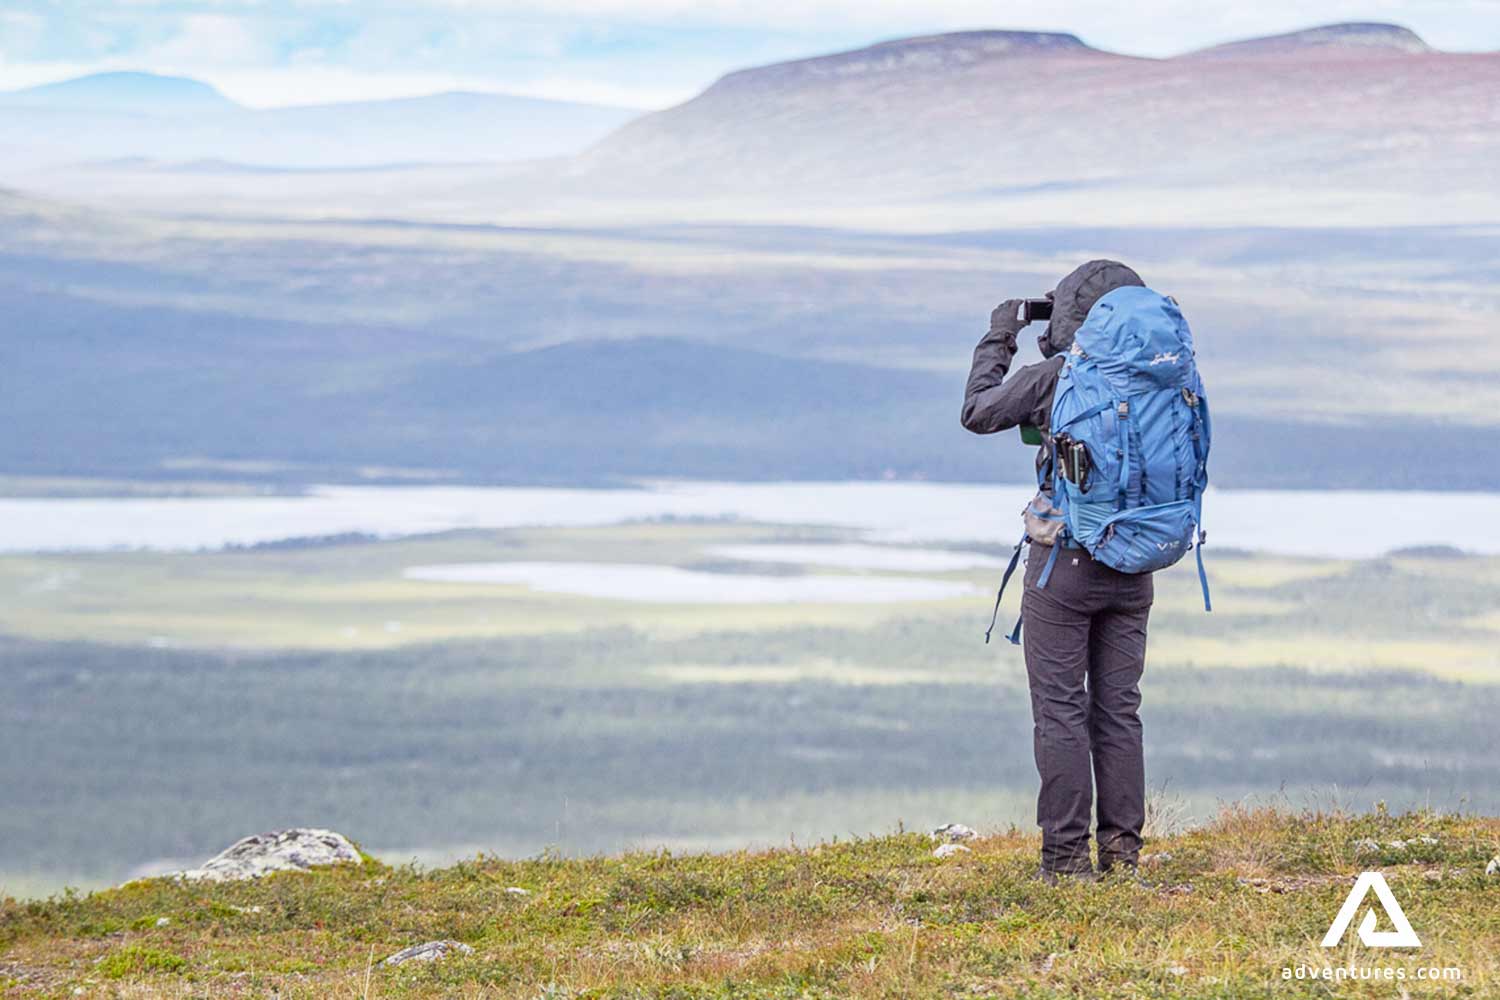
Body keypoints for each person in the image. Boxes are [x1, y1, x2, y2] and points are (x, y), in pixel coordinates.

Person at [960, 259, 1154, 883]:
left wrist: (1000, 333)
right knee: (1119, 709)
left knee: (1063, 710)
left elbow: (979, 411)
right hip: (1136, 563)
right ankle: (1122, 858)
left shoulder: (1060, 374)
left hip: (1063, 565)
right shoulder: (1159, 370)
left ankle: (1067, 863)